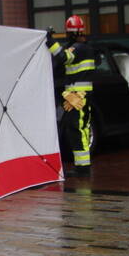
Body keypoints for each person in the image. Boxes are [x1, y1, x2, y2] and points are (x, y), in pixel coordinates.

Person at [46, 15, 96, 176]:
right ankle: (82, 166)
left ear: (72, 33)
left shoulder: (79, 48)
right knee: (76, 128)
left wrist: (49, 40)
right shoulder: (84, 48)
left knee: (78, 128)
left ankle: (83, 168)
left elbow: (62, 57)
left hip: (78, 95)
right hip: (76, 95)